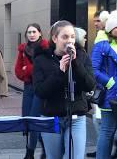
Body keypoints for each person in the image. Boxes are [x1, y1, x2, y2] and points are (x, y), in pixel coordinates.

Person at [33, 20, 95, 159]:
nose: (70, 41)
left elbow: (90, 85)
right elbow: (40, 91)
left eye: (72, 37)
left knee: (75, 157)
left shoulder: (82, 56)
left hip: (76, 117)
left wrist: (75, 63)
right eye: (65, 37)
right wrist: (60, 72)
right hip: (51, 117)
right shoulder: (41, 59)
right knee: (53, 156)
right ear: (55, 38)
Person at [91, 10, 117, 159]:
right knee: (107, 131)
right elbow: (93, 70)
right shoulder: (102, 46)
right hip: (110, 95)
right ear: (109, 29)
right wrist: (109, 83)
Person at [14, 23, 48, 159]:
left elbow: (45, 69)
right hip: (28, 87)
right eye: (29, 32)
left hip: (40, 88)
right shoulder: (23, 50)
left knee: (34, 119)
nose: (32, 35)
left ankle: (30, 152)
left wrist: (27, 69)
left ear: (40, 33)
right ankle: (40, 150)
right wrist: (30, 71)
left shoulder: (46, 48)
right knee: (27, 119)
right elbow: (17, 71)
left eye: (34, 32)